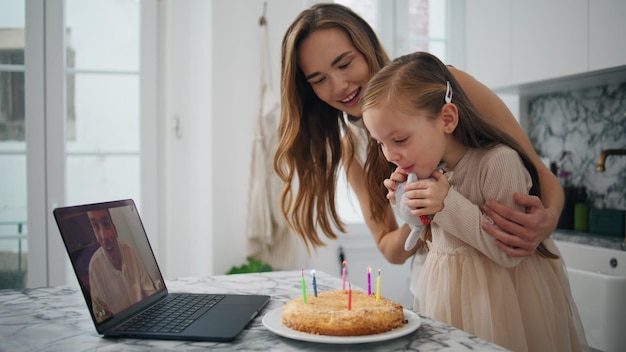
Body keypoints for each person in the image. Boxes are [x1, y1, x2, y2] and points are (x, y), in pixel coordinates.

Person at [274, 3, 563, 262]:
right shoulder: (354, 148)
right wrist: (420, 212)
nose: (339, 86)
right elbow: (390, 248)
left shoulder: (448, 88)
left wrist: (547, 220)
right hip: (441, 282)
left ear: (368, 47)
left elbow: (539, 171)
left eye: (345, 63)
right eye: (319, 79)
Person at [361, 51, 587, 351]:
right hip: (448, 299)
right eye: (381, 143)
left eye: (399, 140)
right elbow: (422, 229)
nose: (390, 155)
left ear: (447, 119)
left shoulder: (499, 162)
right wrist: (404, 203)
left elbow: (509, 254)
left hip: (500, 308)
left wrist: (446, 204)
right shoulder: (431, 170)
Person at [87, 209, 158, 323]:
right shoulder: (95, 267)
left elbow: (149, 290)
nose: (104, 236)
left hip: (144, 318)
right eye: (96, 226)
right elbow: (102, 317)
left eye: (106, 224)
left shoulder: (128, 249)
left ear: (115, 229)